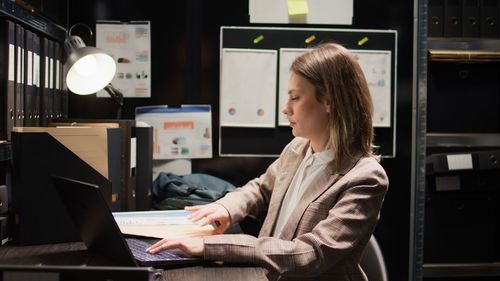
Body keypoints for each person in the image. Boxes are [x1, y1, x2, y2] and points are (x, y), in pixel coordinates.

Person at [148, 42, 389, 281]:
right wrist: (226, 208)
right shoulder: (298, 148)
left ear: (329, 101)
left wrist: (212, 245)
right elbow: (262, 188)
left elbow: (311, 253)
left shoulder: (365, 178)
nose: (285, 109)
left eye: (295, 97)